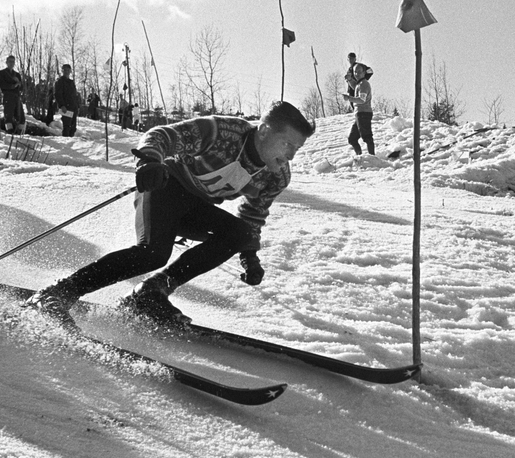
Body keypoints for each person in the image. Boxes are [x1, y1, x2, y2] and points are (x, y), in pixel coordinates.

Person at [25, 101, 316, 326]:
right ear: (265, 130)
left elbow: (253, 215)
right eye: (287, 144)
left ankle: (151, 293)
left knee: (238, 233)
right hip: (164, 186)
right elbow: (163, 134)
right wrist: (150, 161)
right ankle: (58, 293)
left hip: (197, 207)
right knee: (152, 253)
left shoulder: (276, 177)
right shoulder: (224, 132)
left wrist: (249, 255)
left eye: (296, 148)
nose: (290, 156)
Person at [342, 63, 375, 155]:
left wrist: (349, 98)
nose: (357, 74)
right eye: (355, 72)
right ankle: (359, 156)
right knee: (352, 139)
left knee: (367, 137)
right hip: (359, 114)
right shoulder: (360, 84)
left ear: (364, 72)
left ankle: (372, 157)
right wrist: (349, 80)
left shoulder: (364, 84)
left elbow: (361, 100)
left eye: (359, 72)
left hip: (364, 113)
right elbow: (356, 87)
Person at [0, 55, 26, 134]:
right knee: (8, 115)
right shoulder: (2, 73)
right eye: (10, 61)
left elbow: (21, 88)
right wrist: (13, 85)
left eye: (13, 62)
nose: (11, 63)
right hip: (7, 96)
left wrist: (19, 84)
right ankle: (9, 131)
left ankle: (19, 132)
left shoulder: (17, 74)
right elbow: (2, 85)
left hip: (16, 97)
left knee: (21, 117)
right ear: (6, 62)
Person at [54, 64, 81, 137]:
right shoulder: (60, 81)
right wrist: (62, 105)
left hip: (73, 107)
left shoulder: (71, 82)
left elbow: (74, 95)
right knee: (67, 126)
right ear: (62, 71)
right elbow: (58, 94)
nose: (66, 72)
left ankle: (70, 142)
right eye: (65, 70)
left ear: (70, 71)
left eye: (68, 70)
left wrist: (77, 106)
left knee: (73, 127)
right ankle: (65, 142)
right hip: (65, 107)